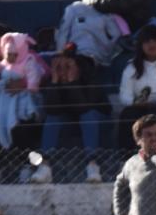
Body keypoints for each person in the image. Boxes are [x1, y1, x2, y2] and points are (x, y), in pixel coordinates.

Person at [40, 45, 111, 183]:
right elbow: (51, 109)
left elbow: (84, 108)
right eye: (59, 68)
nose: (63, 72)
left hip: (97, 120)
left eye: (68, 67)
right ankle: (45, 165)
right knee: (52, 119)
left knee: (88, 116)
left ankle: (92, 164)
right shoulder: (55, 81)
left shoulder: (90, 80)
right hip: (72, 121)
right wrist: (55, 81)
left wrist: (72, 82)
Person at [0, 32, 45, 182]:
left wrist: (25, 85)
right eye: (8, 54)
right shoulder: (7, 63)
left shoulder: (29, 61)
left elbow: (36, 76)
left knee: (20, 128)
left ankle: (26, 166)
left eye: (14, 54)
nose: (11, 57)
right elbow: (1, 68)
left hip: (24, 105)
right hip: (4, 105)